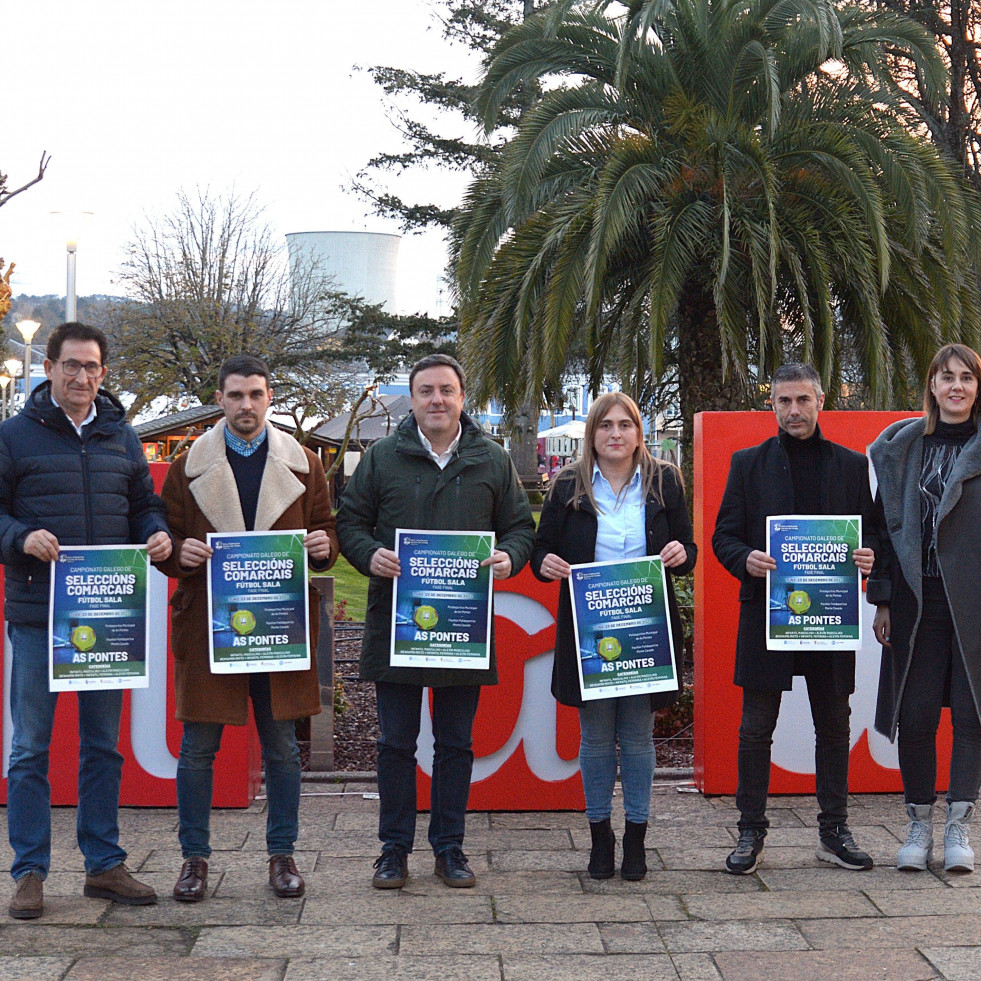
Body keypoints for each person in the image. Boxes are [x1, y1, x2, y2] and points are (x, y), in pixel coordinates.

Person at [337, 353, 535, 890]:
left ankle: (450, 848)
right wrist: (369, 554)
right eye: (426, 391)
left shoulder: (491, 460)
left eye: (446, 390)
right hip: (396, 626)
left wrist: (509, 558)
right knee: (395, 743)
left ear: (462, 397)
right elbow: (349, 522)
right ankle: (393, 850)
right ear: (413, 397)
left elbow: (520, 528)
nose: (436, 400)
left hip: (461, 629)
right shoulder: (382, 457)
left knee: (455, 744)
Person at [0, 321, 172, 919]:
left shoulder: (122, 438)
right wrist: (22, 536)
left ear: (104, 372)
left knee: (103, 746)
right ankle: (29, 872)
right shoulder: (13, 437)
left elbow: (145, 505)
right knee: (30, 750)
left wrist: (156, 535)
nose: (82, 377)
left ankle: (103, 865)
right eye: (71, 365)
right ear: (48, 368)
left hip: (107, 615)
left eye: (92, 367)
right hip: (37, 616)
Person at [157, 355, 337, 902]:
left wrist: (324, 547)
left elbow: (328, 529)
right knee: (198, 748)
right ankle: (194, 860)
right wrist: (179, 554)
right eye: (235, 396)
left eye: (255, 395)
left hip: (279, 625)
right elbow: (163, 538)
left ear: (270, 397)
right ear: (220, 399)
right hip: (212, 626)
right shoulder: (187, 466)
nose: (246, 405)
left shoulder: (305, 462)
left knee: (282, 746)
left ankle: (282, 856)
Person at [712, 363, 876, 875]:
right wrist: (746, 560)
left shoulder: (851, 466)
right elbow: (724, 536)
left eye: (802, 400)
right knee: (756, 728)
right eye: (784, 402)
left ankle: (834, 830)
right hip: (767, 616)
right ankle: (750, 832)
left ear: (821, 401)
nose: (793, 411)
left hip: (829, 618)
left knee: (833, 725)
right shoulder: (747, 464)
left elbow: (875, 537)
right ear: (773, 406)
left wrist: (869, 556)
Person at [531, 393, 696, 880]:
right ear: (593, 434)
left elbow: (688, 546)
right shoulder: (567, 485)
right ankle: (600, 838)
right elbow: (541, 551)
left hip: (646, 626)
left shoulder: (664, 480)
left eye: (626, 425)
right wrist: (546, 563)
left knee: (639, 737)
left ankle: (637, 840)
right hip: (591, 627)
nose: (616, 434)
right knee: (597, 737)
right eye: (606, 426)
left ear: (639, 433)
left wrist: (679, 553)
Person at [868, 344, 981, 873]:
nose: (956, 386)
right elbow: (882, 531)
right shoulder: (904, 450)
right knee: (913, 716)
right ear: (932, 386)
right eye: (946, 377)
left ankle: (959, 825)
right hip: (918, 601)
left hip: (975, 604)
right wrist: (884, 598)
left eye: (966, 377)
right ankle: (918, 824)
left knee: (970, 712)